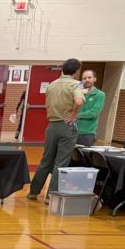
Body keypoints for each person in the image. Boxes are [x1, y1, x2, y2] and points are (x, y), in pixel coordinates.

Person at [27, 58, 84, 200]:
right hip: (67, 126)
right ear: (76, 71)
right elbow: (79, 101)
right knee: (61, 162)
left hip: (51, 126)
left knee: (46, 160)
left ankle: (33, 192)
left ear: (62, 69)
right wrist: (75, 113)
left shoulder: (51, 85)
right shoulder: (76, 84)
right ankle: (50, 196)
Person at [76, 70, 105, 147]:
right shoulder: (77, 93)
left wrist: (76, 115)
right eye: (84, 78)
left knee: (84, 157)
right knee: (71, 157)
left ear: (94, 79)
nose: (87, 80)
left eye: (89, 77)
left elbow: (93, 113)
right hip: (72, 131)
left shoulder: (99, 95)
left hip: (87, 132)